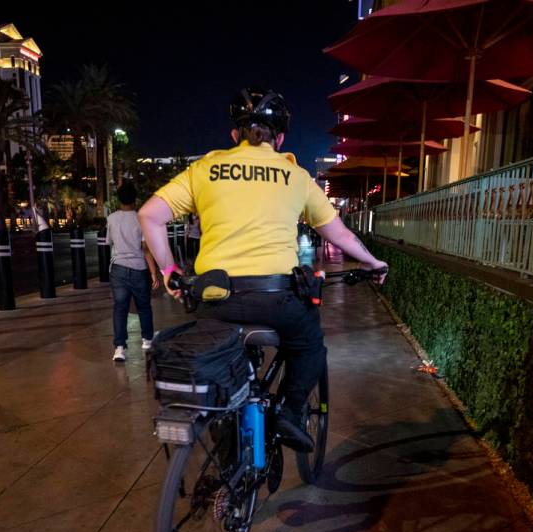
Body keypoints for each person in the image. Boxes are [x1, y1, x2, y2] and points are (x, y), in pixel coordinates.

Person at [138, 88, 388, 451]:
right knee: (310, 346)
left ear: (234, 136)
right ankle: (288, 412)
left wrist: (169, 271)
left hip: (216, 297)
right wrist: (372, 262)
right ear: (281, 138)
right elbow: (340, 234)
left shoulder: (205, 168)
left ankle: (228, 463)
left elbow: (148, 216)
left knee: (222, 367)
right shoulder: (297, 176)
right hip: (276, 298)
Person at [106, 183, 160, 362]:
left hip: (118, 269)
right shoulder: (141, 219)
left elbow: (109, 242)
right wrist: (154, 273)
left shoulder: (111, 218)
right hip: (139, 268)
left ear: (118, 199)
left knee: (120, 308)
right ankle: (146, 341)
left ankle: (119, 348)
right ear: (135, 199)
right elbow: (146, 249)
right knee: (144, 306)